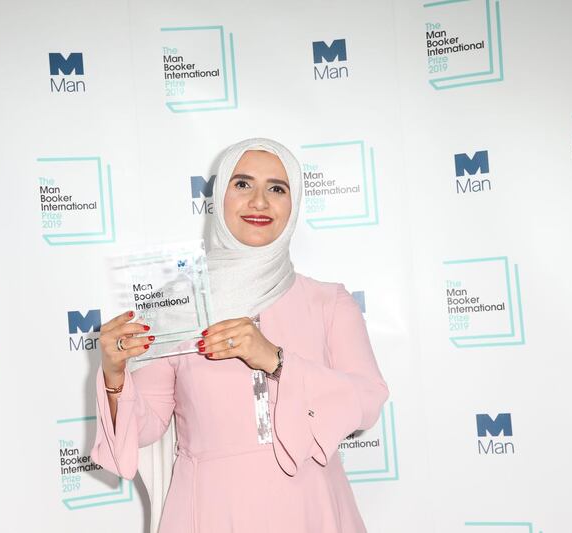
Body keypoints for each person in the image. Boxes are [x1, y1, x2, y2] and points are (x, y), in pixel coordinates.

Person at [91, 138, 389, 532]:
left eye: (277, 188)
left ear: (294, 202)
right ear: (221, 196)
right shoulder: (176, 306)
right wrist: (115, 374)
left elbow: (366, 402)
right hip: (212, 509)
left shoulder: (328, 302)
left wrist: (276, 360)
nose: (259, 202)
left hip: (311, 508)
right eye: (243, 184)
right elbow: (145, 426)